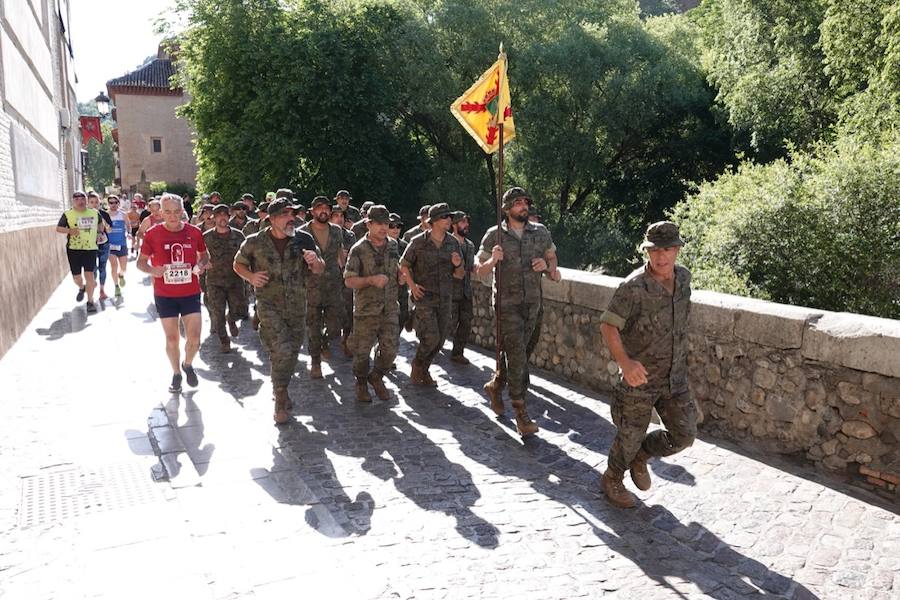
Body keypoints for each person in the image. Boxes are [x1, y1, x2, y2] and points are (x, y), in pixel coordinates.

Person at [598, 221, 697, 509]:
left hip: (674, 377)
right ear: (647, 251)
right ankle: (613, 478)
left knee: (684, 435)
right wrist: (625, 364)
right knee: (629, 436)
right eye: (655, 250)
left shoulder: (684, 279)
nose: (661, 256)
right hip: (638, 379)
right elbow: (608, 326)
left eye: (667, 249)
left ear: (677, 250)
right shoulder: (633, 287)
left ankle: (642, 456)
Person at [475, 187, 561, 436]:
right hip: (506, 304)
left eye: (525, 202)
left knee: (521, 352)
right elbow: (478, 269)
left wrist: (547, 266)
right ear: (507, 209)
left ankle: (496, 384)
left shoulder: (540, 232)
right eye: (518, 203)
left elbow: (553, 260)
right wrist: (492, 261)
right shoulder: (495, 236)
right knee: (518, 357)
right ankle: (520, 411)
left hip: (533, 303)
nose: (524, 206)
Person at [233, 195, 325, 424]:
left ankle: (281, 386)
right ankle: (280, 397)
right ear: (272, 219)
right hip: (269, 306)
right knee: (281, 349)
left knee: (292, 352)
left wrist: (314, 261)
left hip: (297, 306)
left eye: (292, 214)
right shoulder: (255, 241)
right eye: (284, 214)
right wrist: (251, 276)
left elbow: (319, 269)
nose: (290, 218)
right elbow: (238, 263)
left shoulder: (303, 239)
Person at [137, 194, 210, 393]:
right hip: (165, 294)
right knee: (172, 339)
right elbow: (140, 263)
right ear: (161, 213)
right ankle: (176, 373)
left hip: (190, 292)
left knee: (194, 339)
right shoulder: (153, 234)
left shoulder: (194, 232)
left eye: (176, 211)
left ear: (182, 212)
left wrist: (201, 265)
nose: (172, 216)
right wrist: (153, 270)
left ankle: (188, 364)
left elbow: (204, 256)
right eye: (167, 212)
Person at [399, 203, 464, 386]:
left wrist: (458, 264)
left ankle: (424, 368)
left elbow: (460, 275)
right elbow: (404, 264)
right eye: (445, 217)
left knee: (441, 339)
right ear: (434, 221)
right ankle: (417, 363)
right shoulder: (418, 241)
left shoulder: (452, 243)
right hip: (424, 297)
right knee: (431, 336)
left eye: (449, 217)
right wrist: (412, 286)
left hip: (445, 298)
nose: (449, 220)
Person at [344, 205, 401, 401]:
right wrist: (370, 280)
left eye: (386, 223)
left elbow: (397, 269)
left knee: (391, 349)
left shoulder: (393, 245)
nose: (383, 227)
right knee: (361, 353)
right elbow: (349, 280)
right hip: (366, 310)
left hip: (390, 308)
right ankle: (360, 383)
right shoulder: (358, 249)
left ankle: (376, 377)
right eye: (378, 223)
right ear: (368, 224)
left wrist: (402, 276)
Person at [299, 197, 348, 378]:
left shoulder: (336, 231)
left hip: (333, 285)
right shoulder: (302, 233)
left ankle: (325, 342)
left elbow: (339, 253)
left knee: (336, 326)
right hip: (310, 287)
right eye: (319, 208)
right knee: (313, 326)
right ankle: (315, 362)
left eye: (327, 208)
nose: (323, 211)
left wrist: (344, 271)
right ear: (312, 211)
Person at [204, 204, 248, 352]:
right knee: (217, 313)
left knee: (240, 310)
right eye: (219, 215)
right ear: (214, 218)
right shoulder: (207, 237)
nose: (222, 218)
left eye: (225, 215)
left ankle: (232, 319)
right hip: (214, 281)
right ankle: (224, 340)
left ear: (229, 217)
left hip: (235, 279)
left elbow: (247, 255)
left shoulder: (239, 235)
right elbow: (199, 257)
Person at [56, 190, 100, 312]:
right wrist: (70, 231)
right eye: (77, 199)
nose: (80, 201)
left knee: (89, 276)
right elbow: (59, 228)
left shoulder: (94, 213)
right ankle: (81, 287)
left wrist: (100, 233)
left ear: (86, 200)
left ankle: (90, 302)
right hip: (73, 249)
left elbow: (101, 225)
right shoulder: (68, 214)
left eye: (82, 199)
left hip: (90, 248)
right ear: (73, 201)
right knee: (76, 277)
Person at [448, 211, 476, 365]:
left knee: (466, 322)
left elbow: (471, 267)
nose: (466, 225)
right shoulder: (447, 243)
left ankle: (457, 353)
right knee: (448, 324)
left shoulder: (470, 245)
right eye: (463, 222)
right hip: (450, 291)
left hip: (465, 291)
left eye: (467, 222)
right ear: (454, 225)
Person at [387, 212, 409, 340]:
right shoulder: (380, 245)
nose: (395, 229)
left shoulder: (405, 246)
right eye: (391, 226)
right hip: (386, 291)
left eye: (398, 226)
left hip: (402, 291)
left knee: (402, 318)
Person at [87, 192, 113, 302]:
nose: (94, 204)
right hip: (90, 245)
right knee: (92, 268)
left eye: (96, 202)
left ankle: (102, 290)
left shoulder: (104, 214)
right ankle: (93, 284)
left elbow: (110, 230)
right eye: (92, 202)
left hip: (104, 244)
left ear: (100, 202)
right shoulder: (84, 215)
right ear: (88, 203)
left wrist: (101, 218)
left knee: (102, 267)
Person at [105, 195, 130, 297]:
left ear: (118, 203)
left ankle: (121, 275)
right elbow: (101, 228)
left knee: (123, 268)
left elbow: (128, 225)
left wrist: (129, 233)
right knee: (114, 266)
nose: (113, 205)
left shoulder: (123, 214)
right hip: (110, 245)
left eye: (115, 202)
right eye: (111, 203)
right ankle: (116, 287)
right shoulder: (105, 215)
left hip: (122, 244)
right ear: (108, 204)